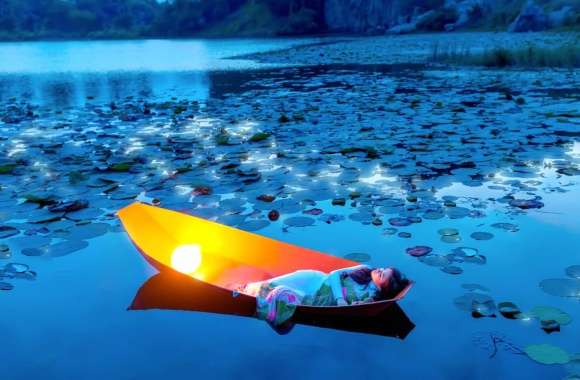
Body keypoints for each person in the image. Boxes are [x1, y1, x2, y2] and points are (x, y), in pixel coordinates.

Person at [236, 265, 409, 328]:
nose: (379, 270)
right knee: (272, 284)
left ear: (384, 286)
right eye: (383, 268)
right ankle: (247, 289)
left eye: (383, 275)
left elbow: (356, 307)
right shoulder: (365, 268)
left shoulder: (370, 297)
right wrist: (340, 298)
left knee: (281, 291)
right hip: (317, 281)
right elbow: (334, 274)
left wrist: (349, 302)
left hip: (317, 300)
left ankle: (272, 313)